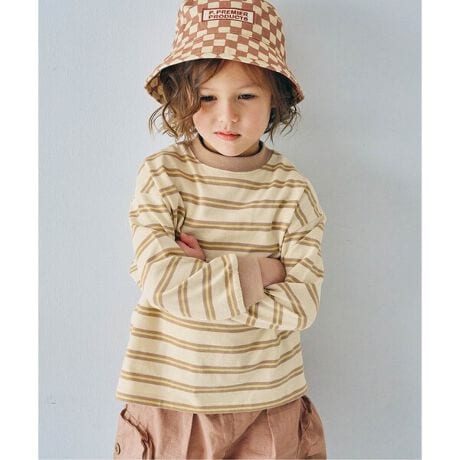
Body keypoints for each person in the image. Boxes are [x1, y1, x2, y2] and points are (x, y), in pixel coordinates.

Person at [113, 0, 328, 458]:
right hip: (171, 400)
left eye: (246, 96)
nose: (226, 116)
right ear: (182, 98)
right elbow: (161, 282)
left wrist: (205, 275)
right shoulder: (163, 175)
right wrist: (262, 272)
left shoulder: (292, 191)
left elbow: (302, 306)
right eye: (207, 98)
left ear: (275, 99)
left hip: (268, 402)